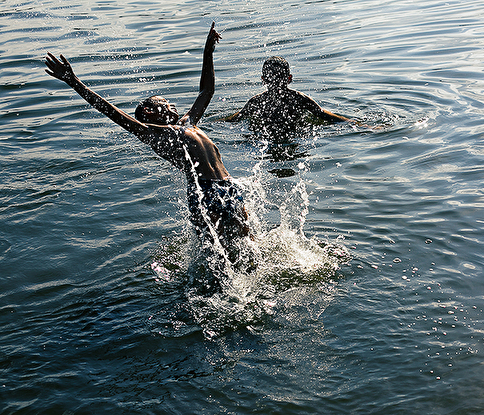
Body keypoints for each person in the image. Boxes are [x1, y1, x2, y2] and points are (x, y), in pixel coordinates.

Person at [44, 23, 251, 263]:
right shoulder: (153, 134)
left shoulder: (188, 123)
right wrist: (74, 82)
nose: (172, 105)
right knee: (217, 256)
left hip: (229, 186)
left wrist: (207, 51)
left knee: (249, 246)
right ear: (149, 112)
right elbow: (111, 112)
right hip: (204, 192)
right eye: (165, 103)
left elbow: (206, 91)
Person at [221, 56, 353, 140]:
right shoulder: (298, 99)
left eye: (278, 78)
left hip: (269, 138)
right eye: (272, 79)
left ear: (263, 80)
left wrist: (352, 123)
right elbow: (323, 114)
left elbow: (235, 119)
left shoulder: (258, 102)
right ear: (289, 78)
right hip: (293, 137)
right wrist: (352, 123)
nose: (275, 83)